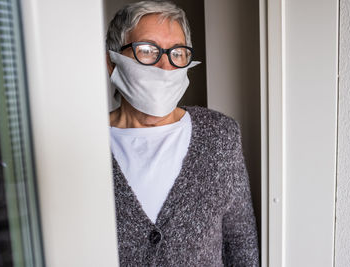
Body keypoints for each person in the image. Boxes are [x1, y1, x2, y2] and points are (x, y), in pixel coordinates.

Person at [106, 1, 259, 266]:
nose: (166, 67)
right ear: (112, 62)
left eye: (177, 53)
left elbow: (241, 244)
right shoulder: (84, 141)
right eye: (146, 50)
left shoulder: (219, 137)